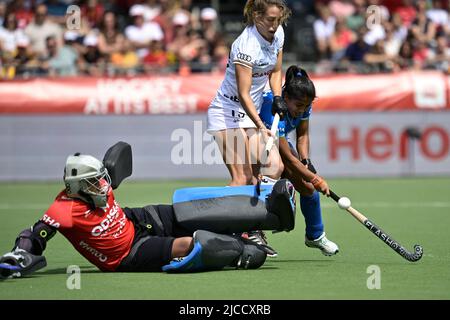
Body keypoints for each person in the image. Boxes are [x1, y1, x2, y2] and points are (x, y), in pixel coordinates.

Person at [0, 144, 296, 278]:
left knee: (192, 211)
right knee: (192, 244)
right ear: (77, 187)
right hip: (127, 254)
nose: (103, 185)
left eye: (102, 177)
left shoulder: (102, 187)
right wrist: (20, 254)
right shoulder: (63, 209)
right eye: (94, 181)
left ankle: (272, 213)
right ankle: (242, 248)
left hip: (136, 218)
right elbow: (36, 234)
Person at [207, 0, 291, 187]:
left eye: (278, 20)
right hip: (227, 111)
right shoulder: (245, 46)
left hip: (250, 112)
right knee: (242, 179)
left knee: (274, 167)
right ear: (256, 16)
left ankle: (259, 216)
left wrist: (277, 97)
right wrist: (261, 125)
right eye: (270, 20)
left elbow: (276, 71)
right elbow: (243, 94)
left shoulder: (278, 34)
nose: (275, 25)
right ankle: (222, 214)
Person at [259, 65, 339, 256]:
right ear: (285, 98)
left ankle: (315, 235)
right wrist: (316, 178)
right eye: (299, 106)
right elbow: (287, 157)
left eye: (306, 106)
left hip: (280, 142)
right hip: (258, 142)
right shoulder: (273, 109)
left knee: (307, 188)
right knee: (266, 185)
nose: (302, 110)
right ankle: (253, 234)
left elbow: (302, 135)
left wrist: (306, 159)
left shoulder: (303, 104)